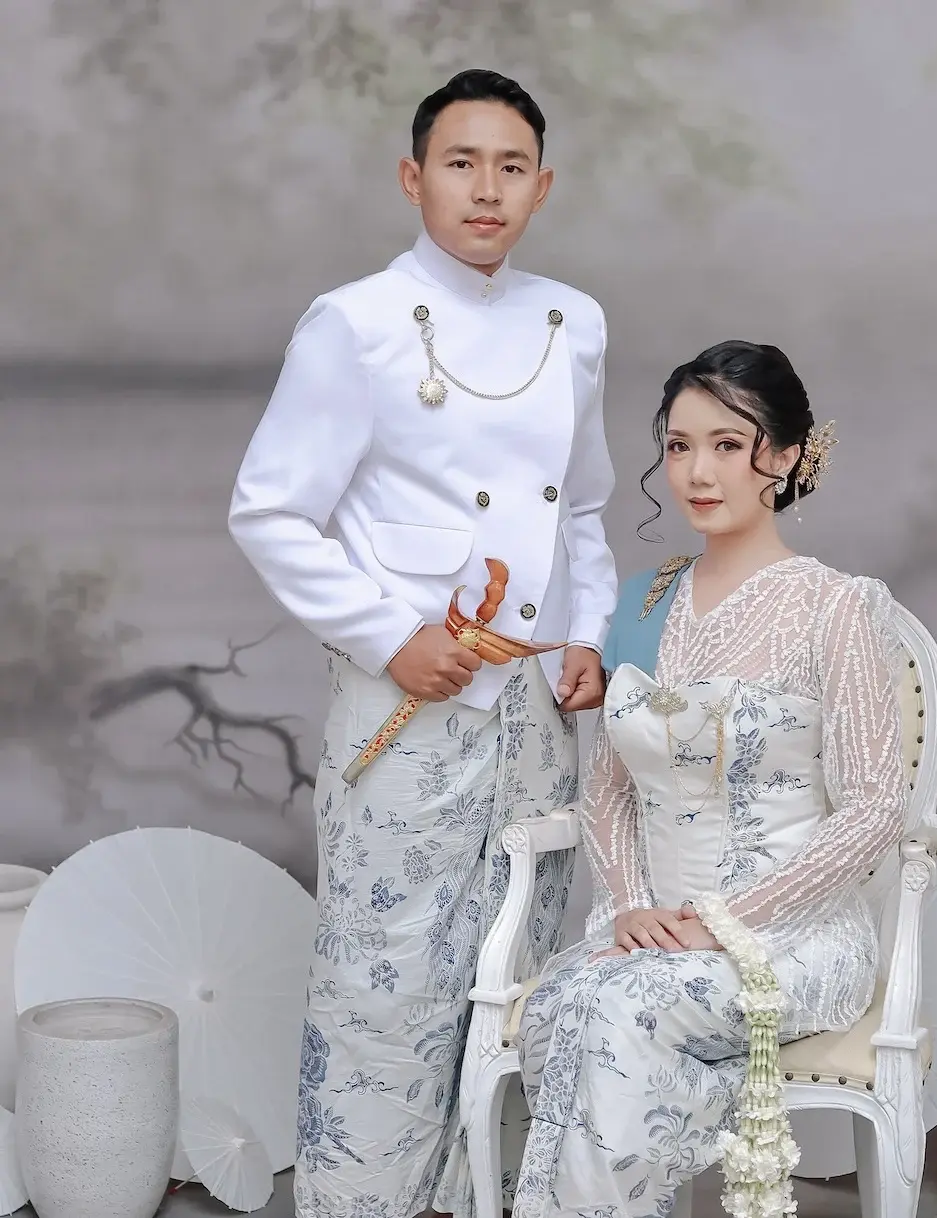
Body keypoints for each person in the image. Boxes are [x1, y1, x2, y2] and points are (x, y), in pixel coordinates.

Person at [227, 68, 617, 1218]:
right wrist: (390, 634)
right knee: (382, 981)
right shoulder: (353, 323)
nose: (486, 190)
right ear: (413, 178)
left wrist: (586, 636)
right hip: (406, 706)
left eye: (511, 168)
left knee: (518, 975)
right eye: (461, 164)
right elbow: (269, 509)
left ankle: (483, 1198)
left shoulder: (576, 324)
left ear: (543, 186)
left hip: (535, 714)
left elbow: (584, 507)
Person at [511, 340, 909, 1218]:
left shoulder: (834, 605)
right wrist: (629, 906)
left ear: (788, 456)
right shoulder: (643, 602)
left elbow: (876, 804)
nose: (697, 472)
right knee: (561, 1003)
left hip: (792, 934)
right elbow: (610, 787)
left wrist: (724, 922)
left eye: (729, 445)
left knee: (617, 1013)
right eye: (680, 445)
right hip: (657, 928)